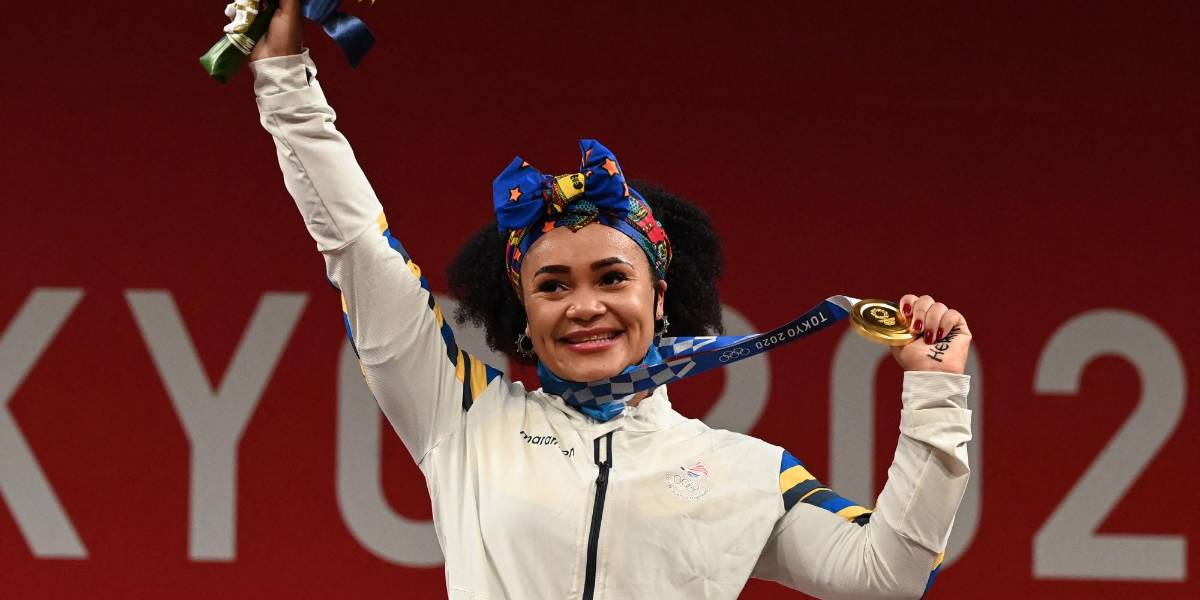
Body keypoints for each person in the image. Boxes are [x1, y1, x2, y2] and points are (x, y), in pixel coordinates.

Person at [246, 2, 973, 598]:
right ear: (524, 311)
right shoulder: (462, 417)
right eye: (552, 286)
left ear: (660, 298)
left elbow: (888, 577)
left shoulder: (747, 473)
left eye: (612, 278)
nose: (584, 306)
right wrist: (284, 79)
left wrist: (935, 395)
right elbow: (358, 248)